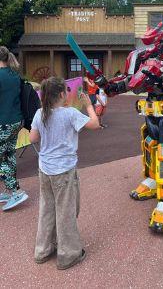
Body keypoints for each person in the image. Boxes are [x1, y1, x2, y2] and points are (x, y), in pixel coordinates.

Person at [29, 77, 101, 270]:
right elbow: (95, 124)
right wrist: (88, 106)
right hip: (64, 171)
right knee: (66, 211)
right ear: (62, 94)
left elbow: (32, 138)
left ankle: (43, 250)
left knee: (47, 209)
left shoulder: (39, 113)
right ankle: (68, 255)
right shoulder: (70, 114)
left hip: (45, 170)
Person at [0, 46, 28, 211]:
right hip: (16, 121)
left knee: (2, 159)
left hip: (2, 122)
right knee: (9, 155)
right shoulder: (14, 75)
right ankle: (10, 190)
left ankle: (16, 191)